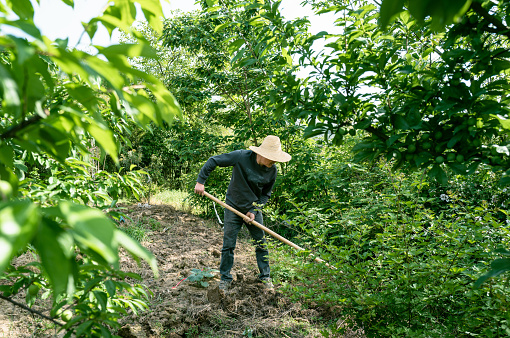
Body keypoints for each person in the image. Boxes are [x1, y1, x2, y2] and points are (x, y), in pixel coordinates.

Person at [194, 135, 291, 291]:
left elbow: (265, 194)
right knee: (228, 245)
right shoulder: (241, 157)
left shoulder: (272, 171)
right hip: (233, 206)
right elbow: (214, 161)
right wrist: (200, 181)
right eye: (271, 158)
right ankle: (225, 279)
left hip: (253, 209)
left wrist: (254, 210)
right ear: (262, 154)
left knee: (261, 244)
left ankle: (265, 277)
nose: (273, 162)